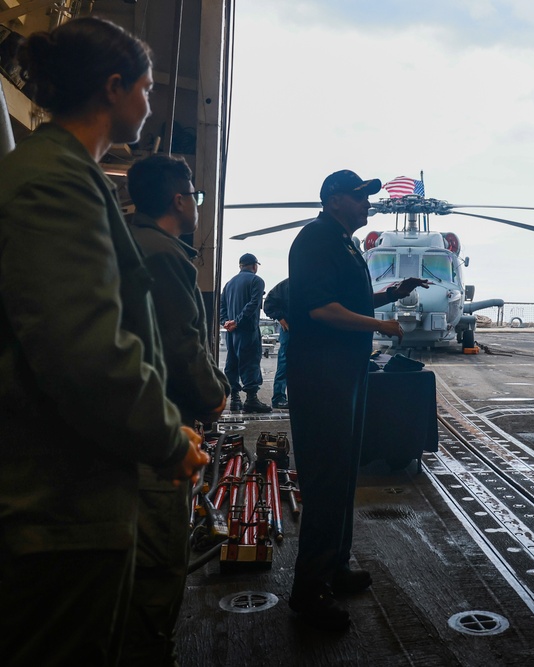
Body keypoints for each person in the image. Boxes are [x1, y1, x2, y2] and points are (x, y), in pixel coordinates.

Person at [0, 18, 208, 666]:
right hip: (59, 502)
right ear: (113, 89)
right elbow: (87, 350)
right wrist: (168, 438)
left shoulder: (61, 173)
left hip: (67, 491)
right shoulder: (55, 181)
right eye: (145, 87)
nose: (150, 102)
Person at [286, 169, 429, 629]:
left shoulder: (345, 243)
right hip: (322, 380)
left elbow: (352, 302)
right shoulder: (316, 239)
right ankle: (310, 593)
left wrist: (392, 294)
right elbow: (320, 309)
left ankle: (335, 567)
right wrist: (382, 326)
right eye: (359, 196)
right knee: (326, 479)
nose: (368, 204)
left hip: (346, 377)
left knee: (344, 474)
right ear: (332, 199)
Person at [125, 154, 230, 664]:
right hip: (159, 432)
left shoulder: (125, 238)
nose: (197, 204)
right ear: (179, 199)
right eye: (196, 195)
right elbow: (182, 343)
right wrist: (215, 395)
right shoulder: (164, 254)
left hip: (126, 426)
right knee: (160, 564)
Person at [220, 252, 269, 413]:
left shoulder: (228, 284)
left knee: (232, 363)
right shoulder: (257, 280)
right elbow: (254, 303)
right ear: (254, 266)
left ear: (240, 266)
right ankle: (251, 400)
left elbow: (222, 307)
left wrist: (226, 322)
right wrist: (238, 321)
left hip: (231, 332)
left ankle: (235, 399)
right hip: (247, 330)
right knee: (250, 362)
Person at [263, 277, 290, 410]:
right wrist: (280, 317)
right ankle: (278, 397)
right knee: (285, 363)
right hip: (291, 329)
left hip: (297, 329)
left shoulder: (286, 284)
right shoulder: (287, 285)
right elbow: (268, 304)